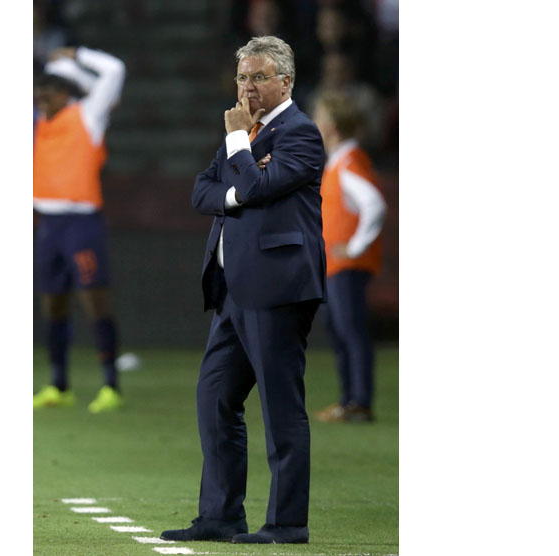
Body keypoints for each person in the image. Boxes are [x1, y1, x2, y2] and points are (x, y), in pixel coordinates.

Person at [161, 36, 326, 545]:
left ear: (286, 81)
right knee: (215, 397)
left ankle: (286, 522)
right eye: (241, 78)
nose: (246, 87)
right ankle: (220, 514)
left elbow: (253, 189)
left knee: (280, 407)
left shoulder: (300, 133)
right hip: (234, 289)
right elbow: (201, 191)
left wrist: (237, 157)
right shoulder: (248, 131)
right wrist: (238, 183)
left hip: (278, 288)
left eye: (257, 77)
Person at [32, 46, 126, 413]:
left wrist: (78, 55)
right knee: (52, 303)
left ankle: (111, 384)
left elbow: (115, 71)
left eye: (49, 90)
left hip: (81, 223)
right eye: (38, 91)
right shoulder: (38, 122)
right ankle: (59, 384)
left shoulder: (87, 115)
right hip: (47, 225)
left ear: (67, 93)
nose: (41, 96)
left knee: (93, 300)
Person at [312, 90, 386, 422]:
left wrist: (355, 246)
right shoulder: (340, 161)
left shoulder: (349, 163)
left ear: (333, 126)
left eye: (320, 115)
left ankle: (358, 402)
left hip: (347, 264)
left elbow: (374, 204)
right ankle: (350, 401)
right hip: (336, 264)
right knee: (341, 329)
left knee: (350, 330)